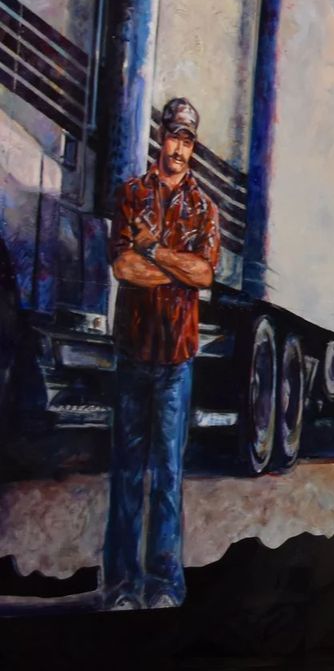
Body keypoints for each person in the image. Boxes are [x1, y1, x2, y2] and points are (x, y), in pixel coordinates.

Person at [105, 98, 219, 611]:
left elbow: (204, 274)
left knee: (168, 476)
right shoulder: (131, 194)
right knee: (127, 472)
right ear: (161, 137)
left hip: (177, 356)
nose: (179, 147)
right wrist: (175, 268)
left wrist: (153, 250)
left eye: (187, 140)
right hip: (133, 351)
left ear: (193, 147)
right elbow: (123, 267)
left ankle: (165, 585)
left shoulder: (204, 208)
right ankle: (121, 586)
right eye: (174, 136)